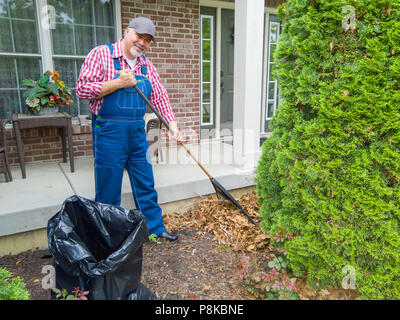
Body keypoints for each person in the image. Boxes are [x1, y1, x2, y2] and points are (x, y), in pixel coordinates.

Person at [76, 17, 182, 242]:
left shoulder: (146, 65)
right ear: (127, 32)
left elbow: (160, 96)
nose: (142, 43)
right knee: (108, 185)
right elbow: (82, 89)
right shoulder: (101, 55)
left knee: (145, 180)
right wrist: (117, 83)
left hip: (136, 131)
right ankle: (109, 236)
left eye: (147, 40)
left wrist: (172, 125)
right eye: (139, 36)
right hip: (109, 131)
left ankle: (154, 227)